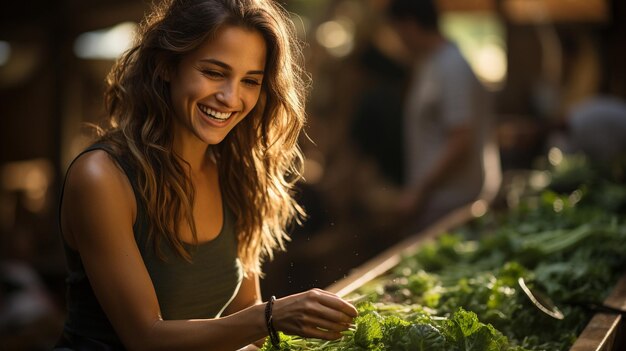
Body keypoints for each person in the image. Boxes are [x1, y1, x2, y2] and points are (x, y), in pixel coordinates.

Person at [54, 0, 357, 350]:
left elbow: (244, 317)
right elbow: (145, 338)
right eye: (214, 72)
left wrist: (268, 323)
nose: (231, 98)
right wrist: (271, 317)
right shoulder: (101, 178)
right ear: (167, 66)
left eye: (250, 81)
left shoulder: (236, 171)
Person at [387, 0, 496, 234]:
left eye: (397, 30)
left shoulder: (452, 66)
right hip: (439, 200)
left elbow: (461, 140)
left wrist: (420, 191)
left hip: (452, 201)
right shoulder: (431, 63)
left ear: (410, 25)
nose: (398, 39)